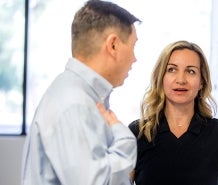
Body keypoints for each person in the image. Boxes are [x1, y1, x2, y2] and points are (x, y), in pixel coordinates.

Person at [99, 40, 218, 185]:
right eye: (172, 70)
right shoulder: (138, 132)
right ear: (161, 78)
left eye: (191, 71)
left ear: (201, 82)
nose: (181, 79)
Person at [21, 0, 141, 184]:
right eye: (133, 46)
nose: (135, 59)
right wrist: (125, 142)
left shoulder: (77, 95)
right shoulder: (75, 105)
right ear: (113, 45)